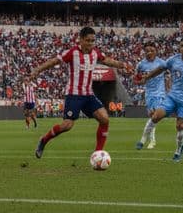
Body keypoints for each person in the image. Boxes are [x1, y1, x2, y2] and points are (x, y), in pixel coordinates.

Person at [28, 26, 132, 159]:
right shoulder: (72, 52)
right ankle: (44, 140)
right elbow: (54, 61)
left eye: (93, 41)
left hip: (88, 95)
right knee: (67, 125)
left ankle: (97, 154)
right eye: (88, 40)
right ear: (81, 40)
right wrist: (37, 70)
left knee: (104, 119)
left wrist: (123, 65)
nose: (90, 44)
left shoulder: (95, 53)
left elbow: (107, 60)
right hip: (74, 95)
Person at [134, 42, 170, 149]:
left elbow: (168, 77)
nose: (149, 53)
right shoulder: (141, 65)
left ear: (156, 51)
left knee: (155, 116)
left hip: (160, 93)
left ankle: (145, 140)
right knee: (152, 116)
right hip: (149, 93)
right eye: (147, 51)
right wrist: (139, 81)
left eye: (152, 50)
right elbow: (137, 79)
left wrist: (169, 90)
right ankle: (151, 140)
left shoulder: (162, 63)